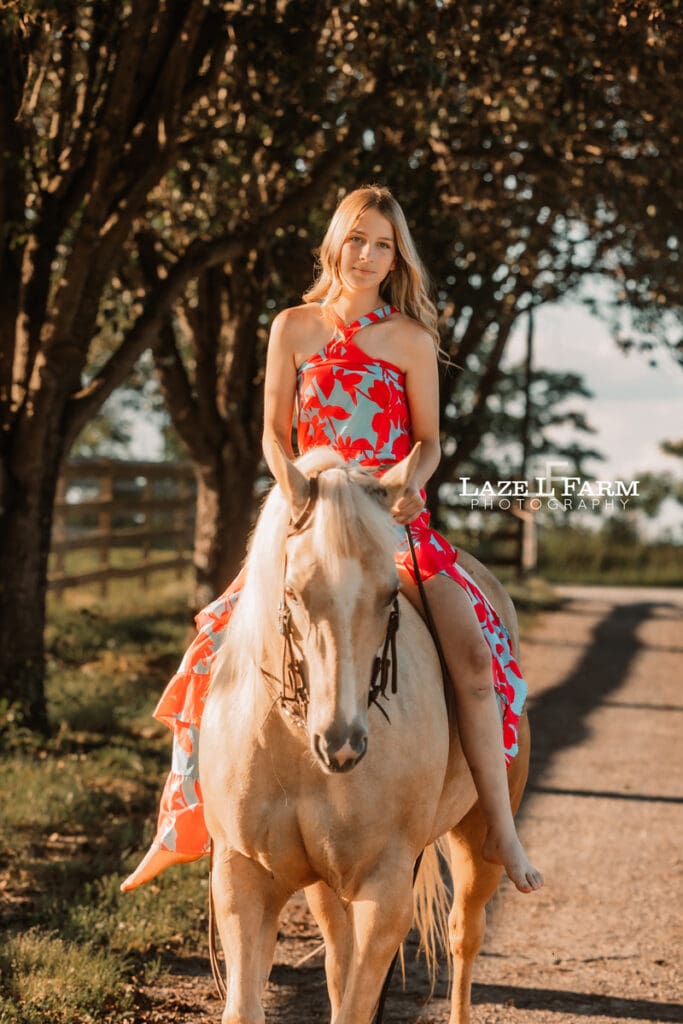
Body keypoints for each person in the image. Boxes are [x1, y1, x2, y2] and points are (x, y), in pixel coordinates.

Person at [121, 185, 543, 895]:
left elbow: (430, 441)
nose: (368, 256)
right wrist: (291, 486)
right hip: (311, 518)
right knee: (212, 647)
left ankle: (498, 824)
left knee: (476, 659)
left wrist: (410, 481)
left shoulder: (410, 340)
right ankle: (185, 822)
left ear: (396, 258)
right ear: (334, 244)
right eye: (357, 240)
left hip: (390, 524)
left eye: (383, 245)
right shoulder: (293, 327)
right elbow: (272, 432)